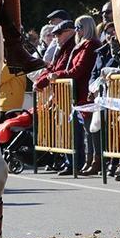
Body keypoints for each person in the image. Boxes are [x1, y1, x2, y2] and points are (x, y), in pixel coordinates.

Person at [35, 17, 98, 176]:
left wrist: (57, 75)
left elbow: (77, 70)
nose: (56, 37)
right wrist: (48, 78)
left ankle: (91, 162)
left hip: (85, 93)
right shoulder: (78, 45)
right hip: (76, 94)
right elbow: (59, 67)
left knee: (90, 130)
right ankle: (83, 162)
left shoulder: (89, 45)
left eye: (79, 27)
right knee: (81, 130)